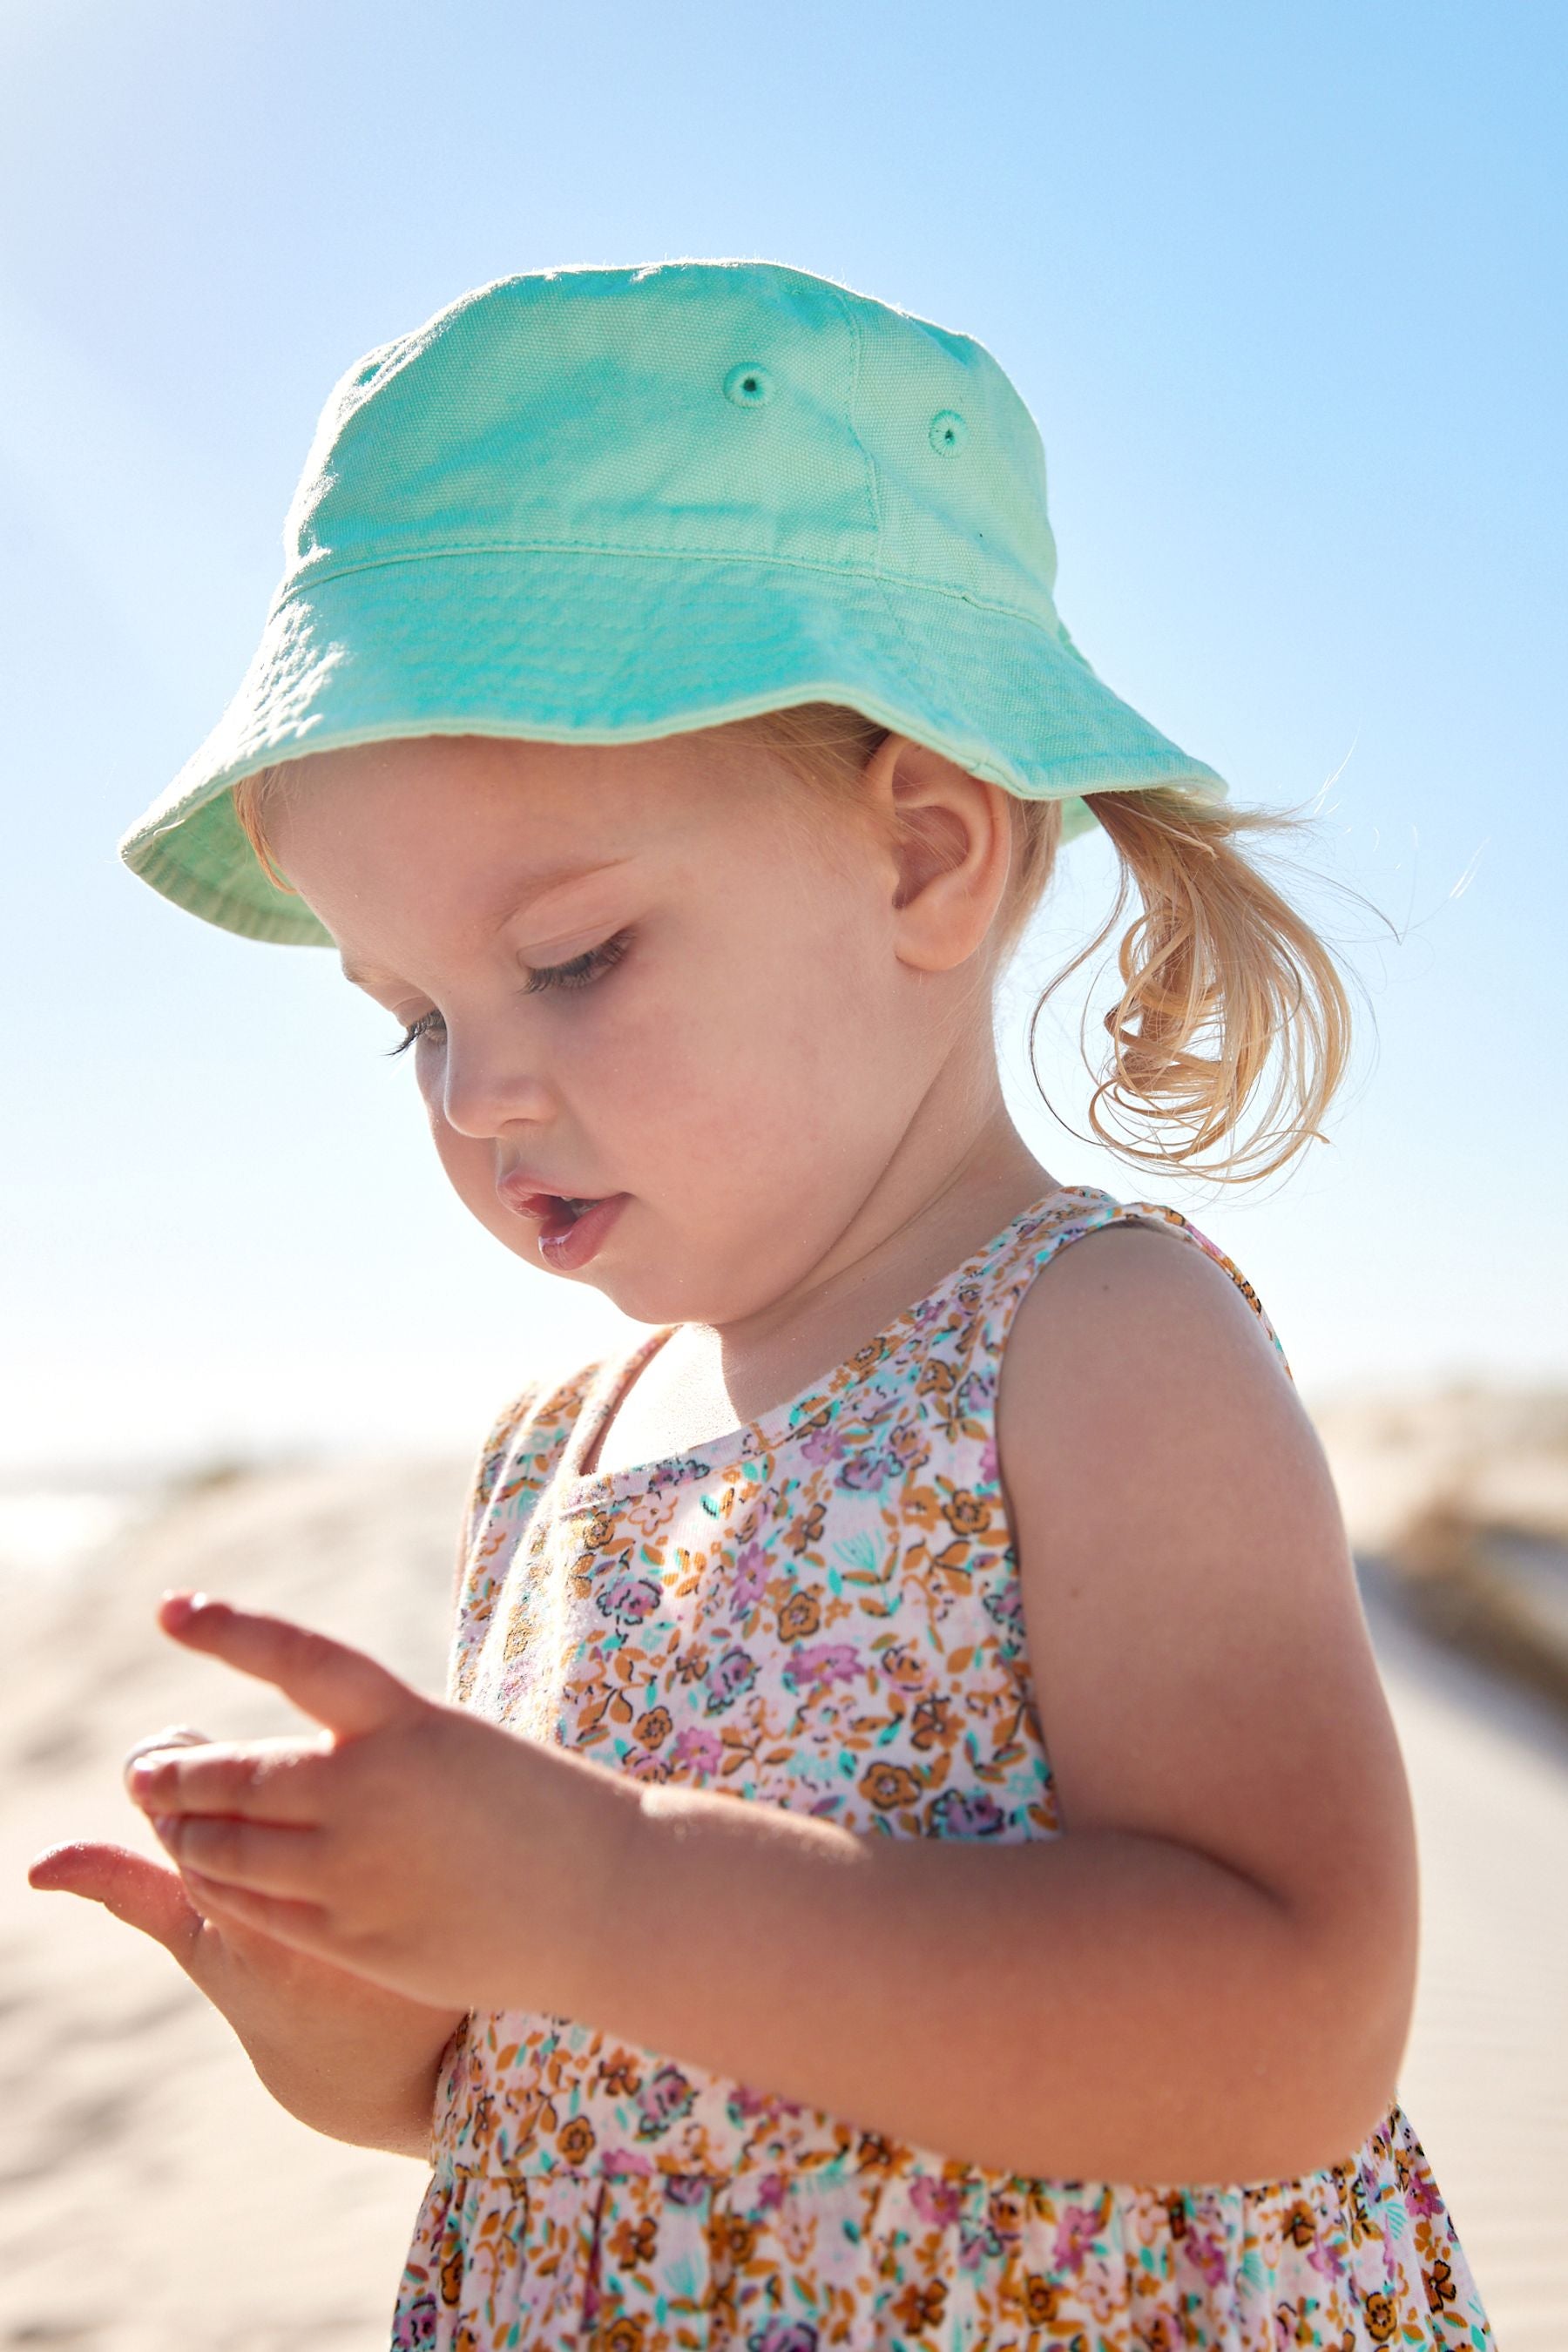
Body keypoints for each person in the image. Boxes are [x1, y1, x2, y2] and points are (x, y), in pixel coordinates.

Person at [30, 261, 1493, 2351]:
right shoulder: (553, 1455)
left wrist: (600, 1891)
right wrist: (365, 2019)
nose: (474, 1089)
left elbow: (1294, 2027)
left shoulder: (1086, 1346)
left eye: (575, 958)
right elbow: (564, 2095)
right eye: (408, 1021)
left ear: (924, 860)